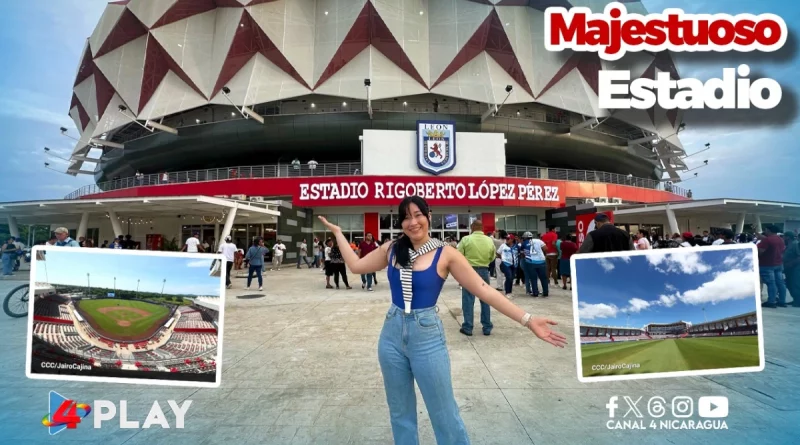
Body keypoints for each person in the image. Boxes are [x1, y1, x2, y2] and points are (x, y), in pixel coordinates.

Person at [317, 196, 566, 444]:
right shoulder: (392, 248)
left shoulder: (445, 253)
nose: (412, 222)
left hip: (427, 338)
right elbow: (357, 266)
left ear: (428, 216)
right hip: (391, 335)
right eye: (405, 217)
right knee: (400, 413)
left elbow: (484, 289)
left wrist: (528, 319)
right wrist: (338, 233)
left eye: (417, 215)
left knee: (444, 413)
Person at [457, 220, 496, 336]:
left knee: (468, 300)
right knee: (485, 299)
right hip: (484, 270)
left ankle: (468, 327)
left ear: (472, 227)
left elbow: (459, 256)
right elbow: (492, 256)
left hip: (469, 272)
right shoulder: (489, 240)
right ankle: (487, 327)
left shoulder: (466, 239)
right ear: (482, 228)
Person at [757, 224, 787, 308]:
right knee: (780, 283)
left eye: (766, 230)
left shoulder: (767, 240)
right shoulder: (780, 239)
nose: (765, 231)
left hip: (767, 264)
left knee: (771, 283)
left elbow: (760, 252)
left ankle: (771, 301)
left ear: (768, 230)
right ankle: (782, 301)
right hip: (779, 263)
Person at [522, 232, 549, 297]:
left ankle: (535, 293)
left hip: (530, 262)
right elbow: (546, 248)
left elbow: (523, 253)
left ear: (525, 237)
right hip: (541, 261)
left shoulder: (524, 243)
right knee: (544, 278)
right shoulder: (539, 241)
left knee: (533, 278)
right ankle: (545, 292)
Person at [781, 231, 800, 307]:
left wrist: (791, 264)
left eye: (784, 236)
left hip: (795, 268)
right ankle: (795, 299)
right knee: (789, 284)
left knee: (795, 284)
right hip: (788, 268)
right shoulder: (789, 244)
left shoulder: (795, 244)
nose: (783, 238)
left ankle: (798, 301)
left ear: (788, 237)